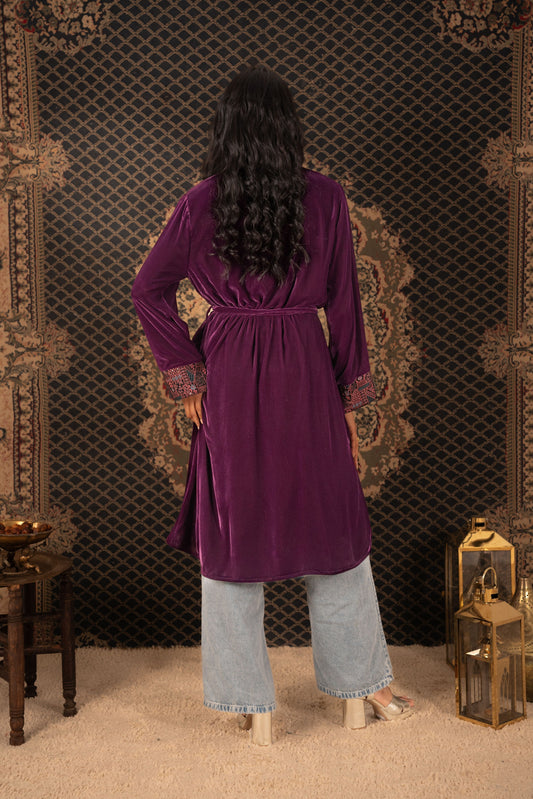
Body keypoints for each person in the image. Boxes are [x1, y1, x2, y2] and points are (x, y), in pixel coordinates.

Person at [132, 65, 413, 746]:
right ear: (290, 129)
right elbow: (344, 307)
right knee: (334, 526)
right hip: (306, 370)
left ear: (225, 131)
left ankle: (250, 705)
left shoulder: (200, 201)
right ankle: (361, 689)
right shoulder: (327, 197)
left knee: (233, 528)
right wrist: (349, 405)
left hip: (227, 373)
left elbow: (148, 290)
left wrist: (189, 377)